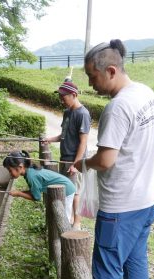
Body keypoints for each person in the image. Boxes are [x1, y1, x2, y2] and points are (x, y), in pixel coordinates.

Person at [73, 39, 154, 279]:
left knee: (106, 269)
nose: (91, 84)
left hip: (122, 205)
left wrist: (83, 164)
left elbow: (105, 161)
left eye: (93, 76)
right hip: (150, 197)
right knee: (136, 256)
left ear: (111, 71)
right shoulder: (145, 92)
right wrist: (139, 155)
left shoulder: (117, 107)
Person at [41, 80, 91, 230]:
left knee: (75, 193)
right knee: (66, 191)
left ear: (74, 95)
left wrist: (76, 164)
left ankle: (76, 223)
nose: (61, 100)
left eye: (64, 97)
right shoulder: (67, 112)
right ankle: (65, 221)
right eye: (60, 97)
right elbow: (63, 135)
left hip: (76, 161)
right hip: (64, 159)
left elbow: (83, 142)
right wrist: (50, 140)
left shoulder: (83, 114)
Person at [3, 151, 76, 221]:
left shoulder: (31, 176)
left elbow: (36, 197)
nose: (9, 173)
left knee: (64, 219)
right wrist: (19, 192)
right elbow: (33, 192)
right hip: (64, 187)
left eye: (10, 170)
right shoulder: (30, 171)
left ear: (20, 167)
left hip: (67, 191)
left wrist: (19, 194)